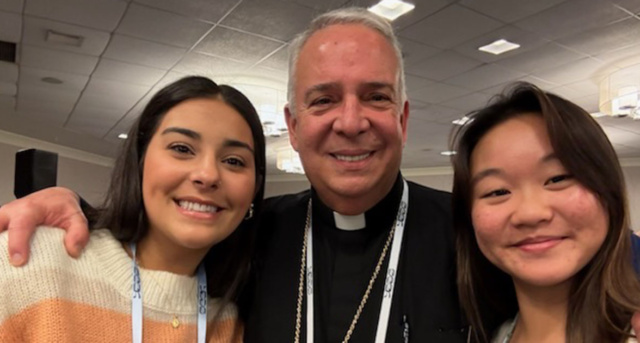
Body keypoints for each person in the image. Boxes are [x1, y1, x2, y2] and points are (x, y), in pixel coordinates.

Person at [0, 7, 466, 342]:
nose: (349, 121)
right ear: (294, 125)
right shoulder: (252, 235)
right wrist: (70, 207)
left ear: (403, 120)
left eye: (376, 97)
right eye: (323, 99)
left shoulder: (471, 237)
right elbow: (157, 242)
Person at [0, 76, 267, 342]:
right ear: (139, 161)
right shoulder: (28, 262)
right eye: (182, 148)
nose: (207, 175)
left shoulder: (242, 316)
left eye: (234, 161)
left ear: (255, 188)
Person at [450, 82, 640, 342]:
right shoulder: (493, 334)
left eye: (557, 178)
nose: (530, 213)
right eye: (497, 192)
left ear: (608, 191)